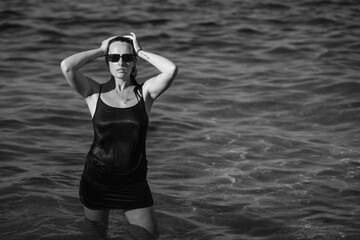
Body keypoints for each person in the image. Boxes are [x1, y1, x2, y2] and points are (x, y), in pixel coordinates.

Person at [60, 32, 178, 238]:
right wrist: (100, 50)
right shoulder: (94, 92)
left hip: (133, 181)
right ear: (108, 62)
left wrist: (140, 51)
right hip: (97, 178)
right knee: (95, 235)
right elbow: (67, 66)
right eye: (114, 57)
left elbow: (171, 69)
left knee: (148, 237)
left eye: (127, 57)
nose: (120, 62)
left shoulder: (145, 93)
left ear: (134, 62)